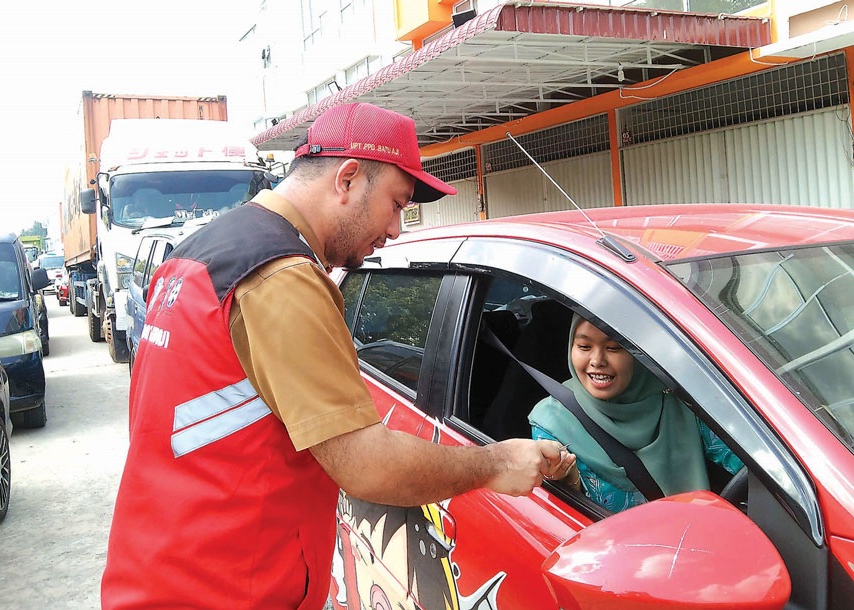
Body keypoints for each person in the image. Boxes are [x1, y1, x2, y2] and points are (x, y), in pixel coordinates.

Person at [100, 102, 574, 610]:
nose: (396, 229)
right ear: (347, 179)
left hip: (160, 570)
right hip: (228, 588)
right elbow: (367, 466)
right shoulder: (282, 276)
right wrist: (495, 462)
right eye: (397, 203)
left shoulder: (199, 252)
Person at [528, 314, 743, 513]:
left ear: (639, 352)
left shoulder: (680, 402)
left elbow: (746, 463)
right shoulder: (553, 422)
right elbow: (563, 513)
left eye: (614, 348)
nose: (597, 360)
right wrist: (567, 477)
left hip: (699, 534)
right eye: (584, 347)